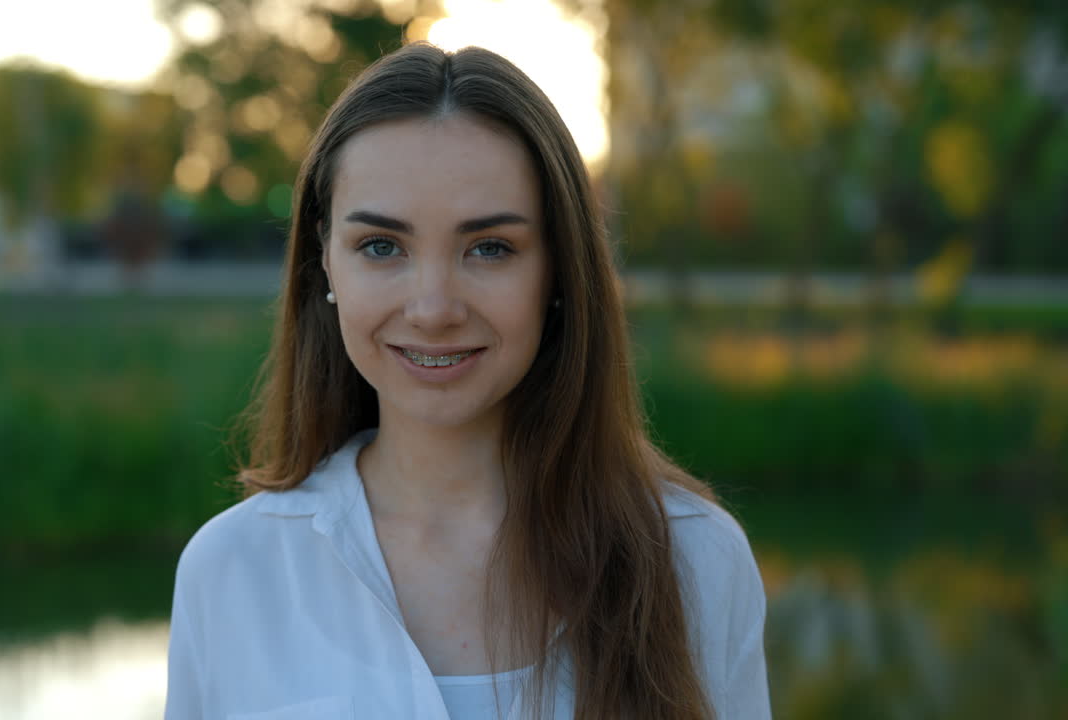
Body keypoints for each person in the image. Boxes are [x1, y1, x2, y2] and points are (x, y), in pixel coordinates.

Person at [164, 43, 770, 720]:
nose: (433, 309)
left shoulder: (697, 560)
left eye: (490, 248)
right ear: (325, 261)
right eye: (381, 246)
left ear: (558, 271)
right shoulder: (233, 570)